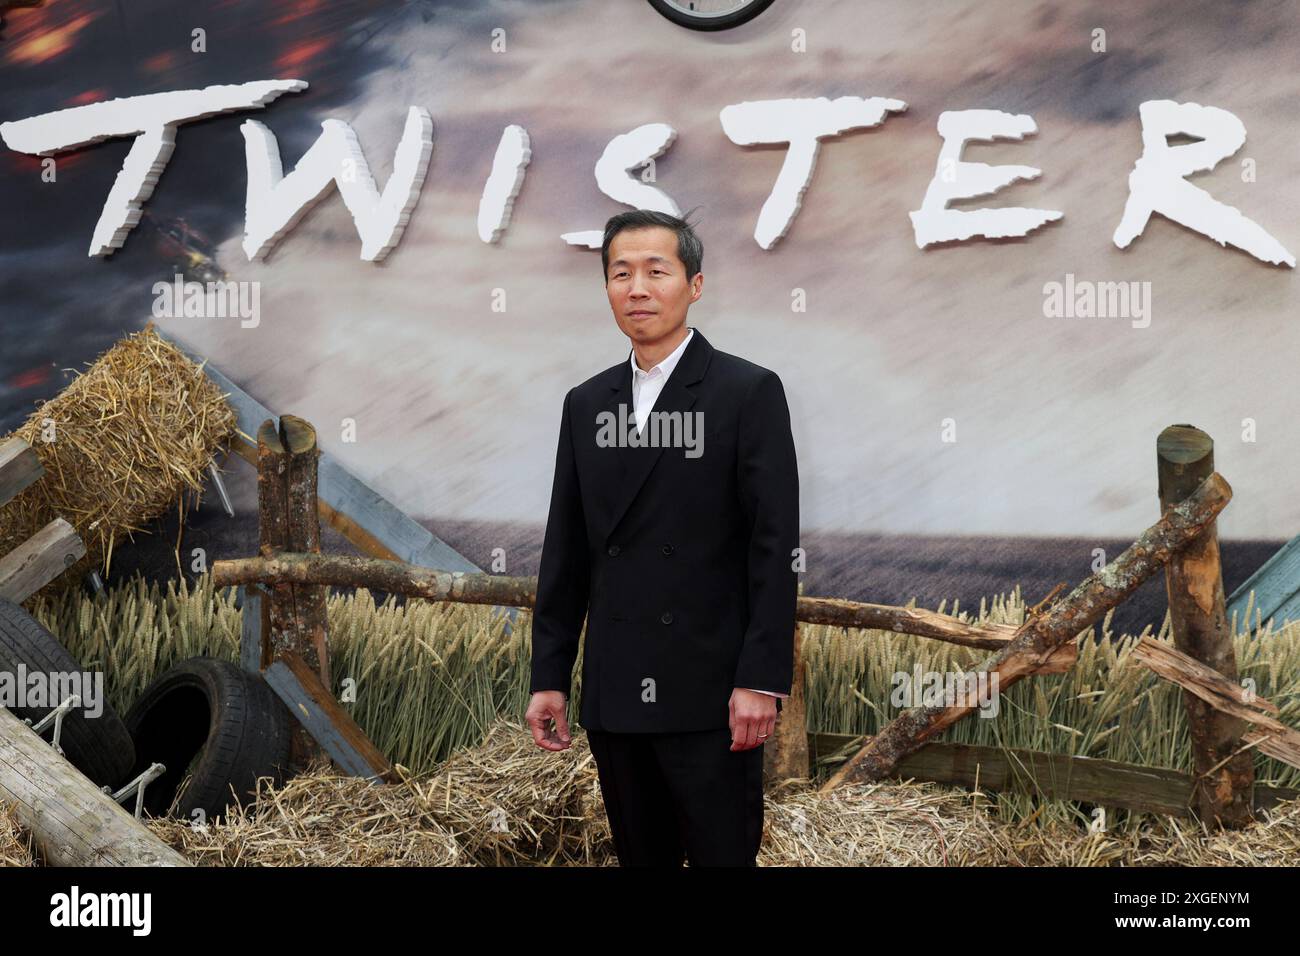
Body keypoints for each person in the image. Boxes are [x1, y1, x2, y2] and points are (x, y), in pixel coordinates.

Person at [525, 208, 800, 866]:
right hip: (617, 693)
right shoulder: (587, 403)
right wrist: (551, 676)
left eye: (656, 271)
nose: (637, 288)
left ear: (694, 284)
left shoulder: (747, 391)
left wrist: (761, 678)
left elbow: (774, 545)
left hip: (713, 696)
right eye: (621, 273)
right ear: (607, 288)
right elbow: (566, 547)